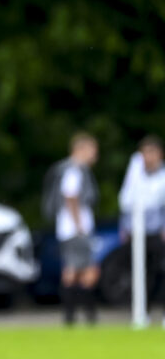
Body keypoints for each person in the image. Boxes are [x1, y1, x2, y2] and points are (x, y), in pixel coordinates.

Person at [118, 135, 165, 324]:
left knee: (161, 272)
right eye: (145, 153)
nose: (149, 157)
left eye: (152, 152)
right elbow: (127, 202)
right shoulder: (135, 175)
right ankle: (141, 313)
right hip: (137, 233)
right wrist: (125, 226)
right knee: (140, 273)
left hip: (158, 231)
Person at [55, 132, 99, 325]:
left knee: (77, 269)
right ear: (79, 149)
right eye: (92, 149)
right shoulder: (74, 169)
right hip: (75, 229)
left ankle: (73, 316)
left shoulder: (73, 169)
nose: (95, 154)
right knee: (84, 269)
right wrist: (79, 225)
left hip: (70, 229)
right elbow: (71, 196)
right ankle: (80, 315)